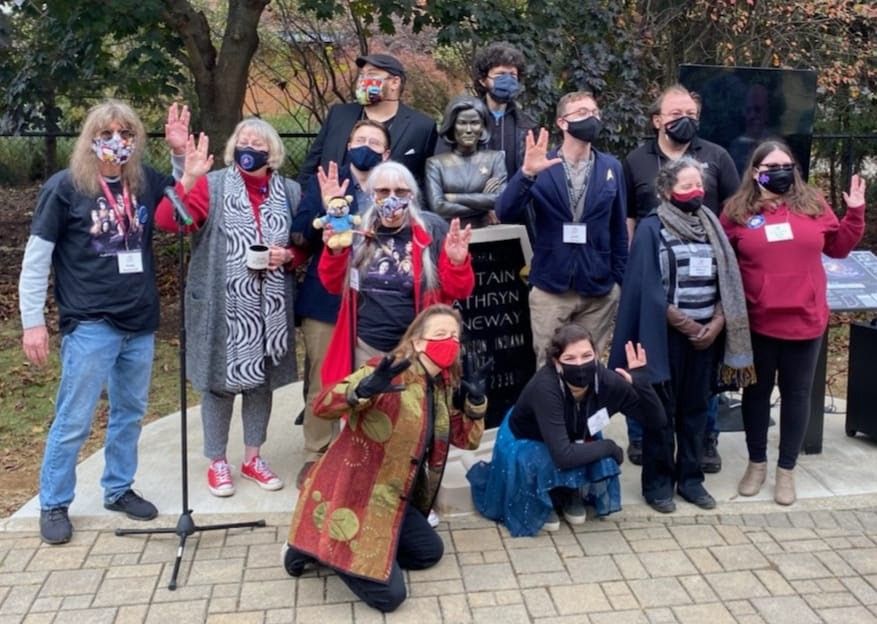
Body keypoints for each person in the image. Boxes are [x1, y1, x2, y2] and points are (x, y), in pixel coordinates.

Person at [19, 100, 188, 544]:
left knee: (130, 412)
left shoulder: (144, 181)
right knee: (74, 418)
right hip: (91, 321)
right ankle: (54, 502)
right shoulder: (65, 187)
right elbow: (37, 259)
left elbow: (182, 204)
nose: (118, 141)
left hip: (139, 320)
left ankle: (118, 488)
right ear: (91, 138)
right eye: (109, 132)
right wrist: (32, 321)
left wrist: (178, 154)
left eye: (128, 133)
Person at [282, 304, 487, 613]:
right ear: (418, 341)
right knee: (389, 599)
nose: (449, 342)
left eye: (455, 337)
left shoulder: (442, 384)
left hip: (394, 498)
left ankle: (363, 551)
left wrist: (476, 402)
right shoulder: (387, 372)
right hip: (354, 495)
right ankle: (314, 548)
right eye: (440, 334)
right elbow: (322, 406)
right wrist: (362, 390)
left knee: (429, 553)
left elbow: (466, 440)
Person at [155, 118, 302, 498]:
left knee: (260, 385)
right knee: (217, 387)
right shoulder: (213, 184)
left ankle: (253, 457)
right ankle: (217, 461)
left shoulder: (290, 192)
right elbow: (170, 222)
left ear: (273, 152)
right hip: (222, 305)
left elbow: (305, 244)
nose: (249, 146)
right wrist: (185, 178)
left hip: (268, 308)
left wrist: (287, 254)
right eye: (242, 139)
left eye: (258, 141)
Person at [721, 139, 866, 505]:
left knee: (796, 395)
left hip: (805, 319)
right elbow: (721, 258)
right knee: (755, 393)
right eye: (771, 167)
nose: (780, 172)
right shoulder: (736, 211)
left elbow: (838, 248)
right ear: (756, 173)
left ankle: (786, 470)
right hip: (757, 321)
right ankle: (756, 464)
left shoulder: (813, 204)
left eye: (786, 165)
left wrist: (855, 214)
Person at [610, 156, 754, 513]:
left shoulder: (711, 225)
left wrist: (716, 323)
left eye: (699, 186)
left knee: (695, 411)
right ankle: (658, 484)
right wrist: (686, 325)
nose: (696, 192)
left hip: (707, 335)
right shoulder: (651, 227)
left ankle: (691, 481)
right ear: (667, 190)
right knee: (661, 412)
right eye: (686, 185)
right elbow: (646, 285)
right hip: (665, 335)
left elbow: (727, 281)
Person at [622, 84, 741, 470]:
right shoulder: (637, 160)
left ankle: (704, 441)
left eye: (690, 113)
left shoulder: (718, 157)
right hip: (652, 274)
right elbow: (628, 217)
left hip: (704, 280)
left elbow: (730, 216)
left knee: (700, 376)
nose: (684, 120)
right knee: (649, 364)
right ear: (657, 119)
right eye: (675, 114)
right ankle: (643, 437)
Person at [467, 324, 665, 536]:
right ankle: (544, 496)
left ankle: (571, 491)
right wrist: (609, 446)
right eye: (570, 359)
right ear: (556, 362)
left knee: (588, 449)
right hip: (530, 436)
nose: (580, 364)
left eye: (586, 355)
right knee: (547, 457)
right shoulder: (545, 387)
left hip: (576, 432)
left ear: (597, 355)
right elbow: (563, 455)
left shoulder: (607, 380)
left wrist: (642, 383)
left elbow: (657, 421)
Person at [293, 120, 391, 489]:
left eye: (374, 142)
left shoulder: (392, 189)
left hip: (376, 302)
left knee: (371, 378)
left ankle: (368, 452)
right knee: (323, 378)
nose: (366, 146)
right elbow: (299, 231)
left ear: (386, 153)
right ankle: (316, 454)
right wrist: (324, 205)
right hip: (327, 298)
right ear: (348, 144)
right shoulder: (326, 184)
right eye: (360, 139)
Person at [496, 91, 627, 366]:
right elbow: (505, 212)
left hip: (598, 290)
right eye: (581, 113)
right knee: (550, 368)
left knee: (589, 369)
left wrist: (618, 282)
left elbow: (618, 229)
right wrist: (527, 174)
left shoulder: (611, 167)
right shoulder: (543, 165)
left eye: (594, 112)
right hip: (551, 288)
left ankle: (588, 412)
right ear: (562, 122)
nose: (591, 117)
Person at [317, 160, 475, 387]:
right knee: (366, 415)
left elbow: (459, 290)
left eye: (400, 191)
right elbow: (333, 285)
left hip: (416, 347)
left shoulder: (431, 229)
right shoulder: (358, 231)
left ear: (412, 195)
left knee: (414, 418)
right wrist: (336, 250)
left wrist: (457, 263)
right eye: (383, 191)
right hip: (366, 346)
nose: (392, 198)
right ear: (371, 194)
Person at [297, 53, 438, 190]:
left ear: (395, 83)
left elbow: (425, 182)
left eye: (371, 74)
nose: (363, 81)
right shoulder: (339, 114)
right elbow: (312, 163)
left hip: (387, 210)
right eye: (362, 75)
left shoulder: (422, 126)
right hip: (332, 207)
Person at [425, 95, 507, 228]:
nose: (468, 130)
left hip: (488, 236)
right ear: (452, 125)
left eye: (474, 123)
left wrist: (454, 198)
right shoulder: (436, 164)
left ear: (482, 126)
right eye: (462, 123)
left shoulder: (495, 159)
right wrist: (484, 204)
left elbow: (500, 200)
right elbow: (438, 207)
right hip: (450, 235)